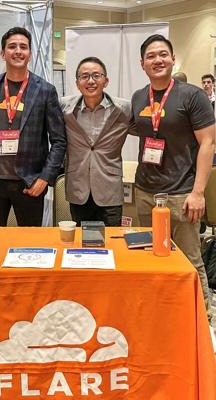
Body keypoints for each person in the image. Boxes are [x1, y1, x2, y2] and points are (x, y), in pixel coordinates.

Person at [131, 34, 215, 316]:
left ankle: (202, 318)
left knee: (190, 260)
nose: (158, 60)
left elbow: (208, 144)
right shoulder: (138, 97)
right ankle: (162, 311)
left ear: (173, 58)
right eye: (151, 56)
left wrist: (198, 192)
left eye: (163, 54)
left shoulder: (192, 95)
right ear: (142, 63)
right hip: (145, 192)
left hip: (181, 194)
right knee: (152, 255)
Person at [0, 27, 66, 226]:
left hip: (30, 183)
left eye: (23, 47)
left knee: (30, 242)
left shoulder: (45, 90)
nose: (18, 51)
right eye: (12, 46)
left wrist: (44, 178)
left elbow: (59, 141)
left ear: (30, 54)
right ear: (3, 53)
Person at [60, 57, 130, 226]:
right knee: (82, 240)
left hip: (110, 190)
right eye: (84, 76)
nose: (90, 81)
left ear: (106, 81)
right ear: (77, 83)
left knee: (111, 239)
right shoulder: (64, 107)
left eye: (96, 75)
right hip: (78, 188)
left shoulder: (124, 109)